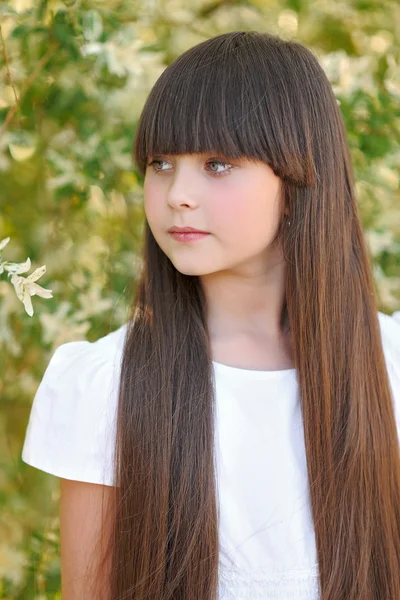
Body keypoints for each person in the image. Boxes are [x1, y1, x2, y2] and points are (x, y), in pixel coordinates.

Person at [22, 30, 400, 600]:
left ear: (298, 178)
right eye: (161, 163)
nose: (178, 193)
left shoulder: (389, 368)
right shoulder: (108, 384)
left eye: (218, 164)